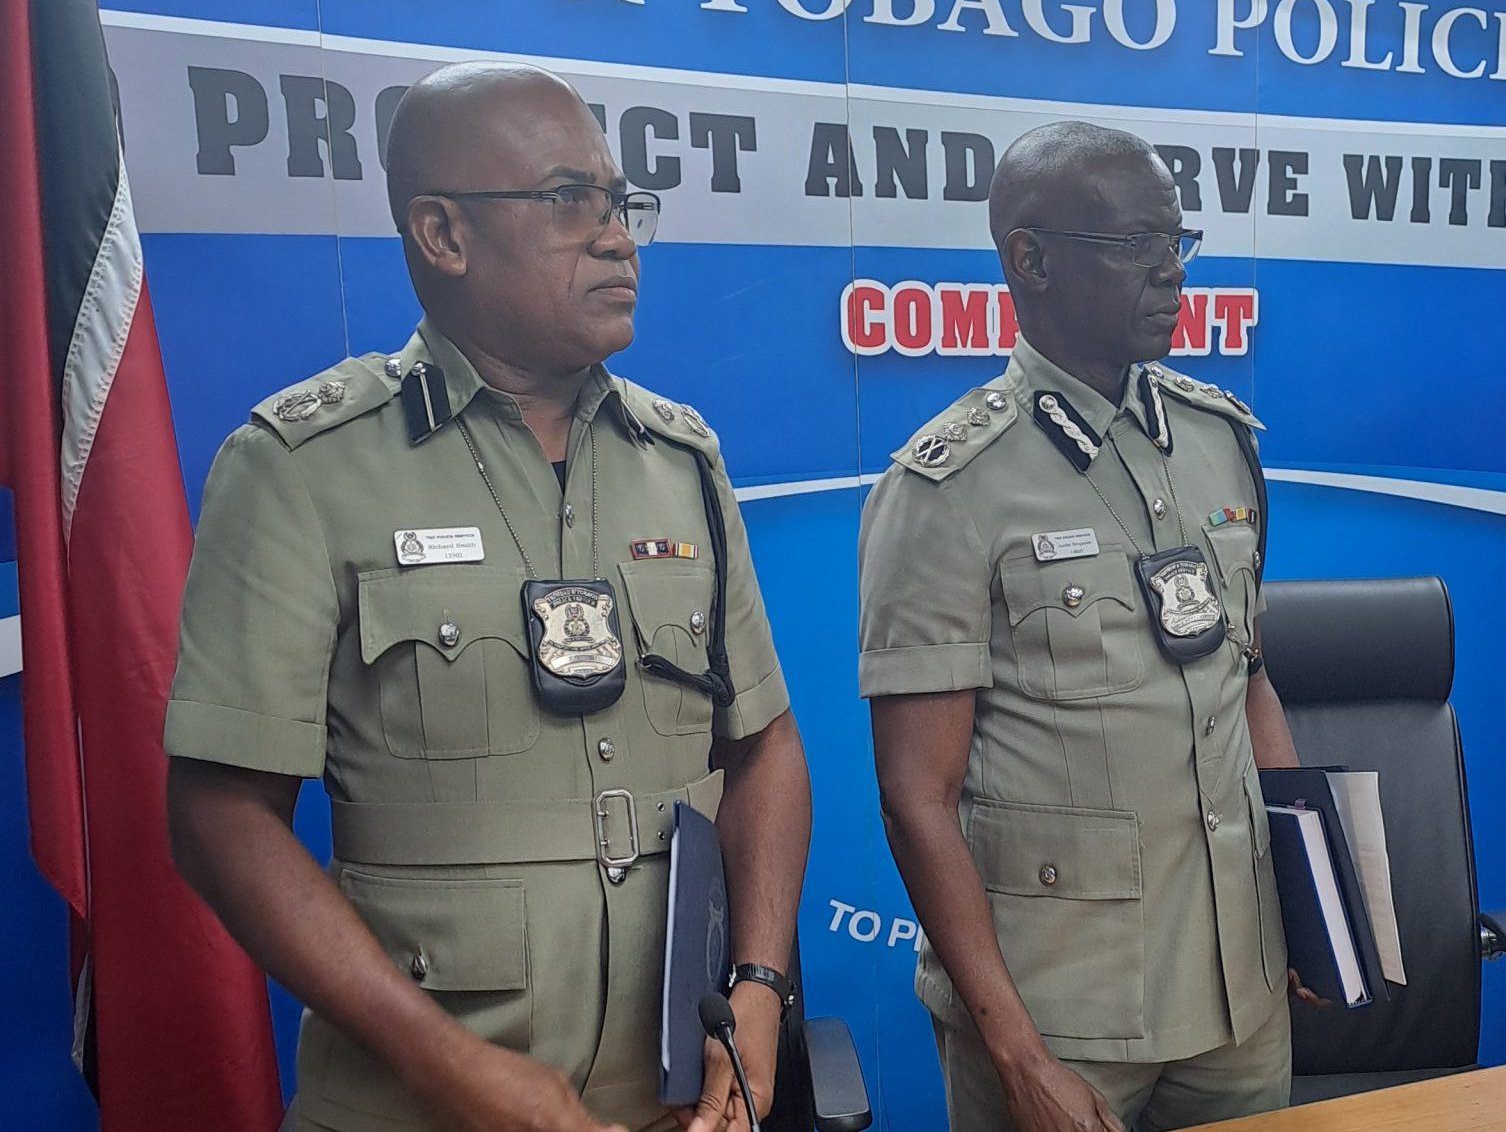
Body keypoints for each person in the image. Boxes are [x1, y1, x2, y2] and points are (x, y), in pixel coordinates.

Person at [164, 62, 811, 1132]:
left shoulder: (681, 458)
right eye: (569, 200)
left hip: (680, 1105)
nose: (616, 235)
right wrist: (450, 1065)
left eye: (618, 201)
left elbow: (766, 746)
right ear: (442, 233)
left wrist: (757, 988)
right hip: (421, 1107)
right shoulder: (303, 464)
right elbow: (220, 815)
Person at [859, 121, 1320, 1132]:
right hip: (1060, 1014)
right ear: (1031, 259)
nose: (1171, 270)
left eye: (1178, 240)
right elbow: (914, 793)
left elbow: (1250, 681)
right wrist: (1015, 1050)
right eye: (1134, 245)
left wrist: (1310, 916)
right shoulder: (948, 483)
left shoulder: (1220, 442)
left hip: (1238, 997)